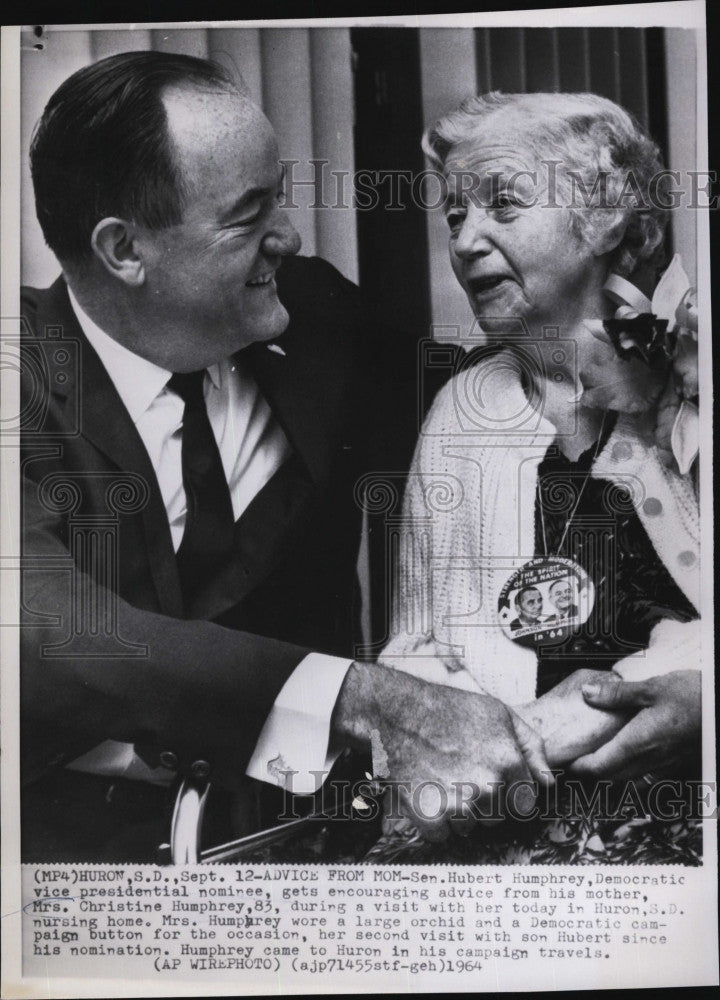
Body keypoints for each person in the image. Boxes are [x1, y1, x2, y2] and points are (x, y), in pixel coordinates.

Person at [19, 53, 551, 861]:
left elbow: (505, 414)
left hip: (315, 851)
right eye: (247, 214)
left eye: (282, 193)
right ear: (125, 249)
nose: (290, 235)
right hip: (64, 877)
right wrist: (365, 699)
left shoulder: (316, 315)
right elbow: (49, 631)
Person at [381, 92, 701, 782]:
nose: (465, 241)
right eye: (456, 214)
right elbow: (415, 644)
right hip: (509, 817)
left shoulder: (695, 373)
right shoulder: (463, 407)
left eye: (504, 205)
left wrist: (661, 680)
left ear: (605, 217)